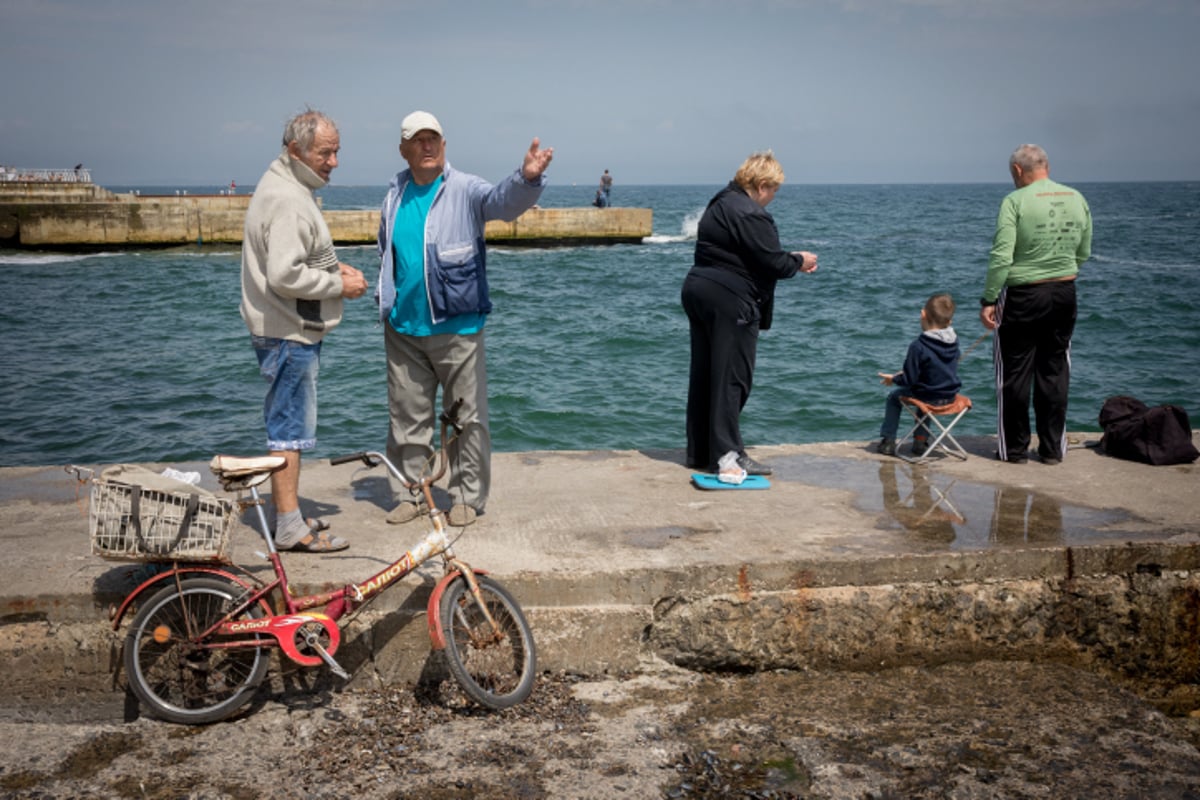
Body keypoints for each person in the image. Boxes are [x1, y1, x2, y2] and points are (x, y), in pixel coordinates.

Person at [376, 110, 553, 526]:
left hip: (457, 327)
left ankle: (466, 497)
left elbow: (502, 204)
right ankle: (414, 492)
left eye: (433, 138)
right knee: (406, 417)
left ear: (444, 144)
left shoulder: (465, 188)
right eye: (417, 140)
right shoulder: (394, 192)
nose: (427, 146)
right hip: (403, 327)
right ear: (403, 150)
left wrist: (526, 179)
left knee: (466, 420)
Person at [240, 109, 368, 552]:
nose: (334, 161)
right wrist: (339, 285)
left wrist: (332, 268)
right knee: (289, 431)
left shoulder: (281, 184)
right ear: (296, 150)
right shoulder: (291, 199)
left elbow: (293, 259)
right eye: (325, 152)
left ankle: (286, 512)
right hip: (288, 333)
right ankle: (290, 527)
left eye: (336, 152)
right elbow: (284, 274)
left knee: (286, 425)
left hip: (278, 328)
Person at [680, 150, 818, 475]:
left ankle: (700, 451)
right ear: (760, 184)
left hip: (698, 289)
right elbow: (772, 261)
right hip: (730, 300)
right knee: (732, 378)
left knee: (705, 375)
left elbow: (747, 252)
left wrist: (789, 258)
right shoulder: (750, 212)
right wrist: (799, 261)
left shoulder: (720, 202)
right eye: (773, 190)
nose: (773, 198)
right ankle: (728, 455)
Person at [979, 144, 1091, 465]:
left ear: (1017, 171)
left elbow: (1001, 256)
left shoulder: (1014, 201)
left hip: (1023, 295)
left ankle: (1014, 450)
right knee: (1055, 371)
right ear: (1047, 166)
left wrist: (989, 298)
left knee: (1014, 374)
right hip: (1064, 292)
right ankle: (1052, 449)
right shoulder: (1076, 198)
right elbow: (1084, 250)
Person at [876, 293, 962, 457]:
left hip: (928, 397)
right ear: (949, 321)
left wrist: (894, 378)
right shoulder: (954, 342)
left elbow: (909, 379)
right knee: (926, 395)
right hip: (950, 396)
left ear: (923, 314)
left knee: (894, 398)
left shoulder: (918, 346)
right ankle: (920, 442)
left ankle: (888, 441)